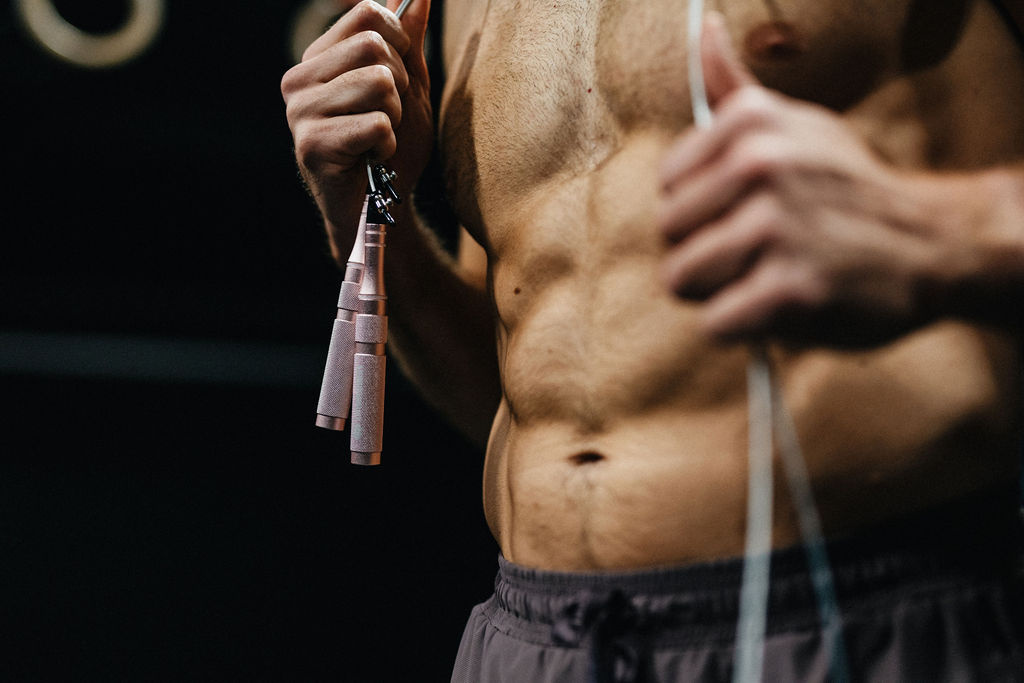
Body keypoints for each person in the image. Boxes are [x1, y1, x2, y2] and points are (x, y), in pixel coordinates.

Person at [282, 0, 1024, 679]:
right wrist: (367, 219)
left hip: (861, 609)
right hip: (534, 638)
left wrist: (940, 233)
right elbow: (509, 379)